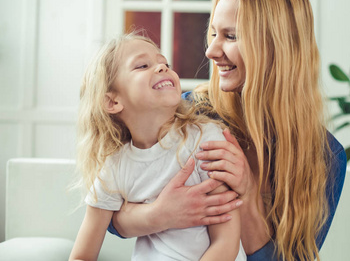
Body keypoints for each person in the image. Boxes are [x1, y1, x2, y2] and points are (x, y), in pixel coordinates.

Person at [108, 0, 347, 261]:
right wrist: (160, 214)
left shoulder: (325, 156)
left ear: (275, 47)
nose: (211, 51)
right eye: (213, 34)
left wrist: (247, 195)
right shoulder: (190, 112)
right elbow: (110, 213)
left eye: (230, 36)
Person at [69, 33, 246, 261]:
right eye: (143, 65)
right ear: (112, 102)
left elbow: (226, 244)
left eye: (165, 63)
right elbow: (81, 255)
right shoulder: (114, 167)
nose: (162, 68)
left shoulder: (206, 139)